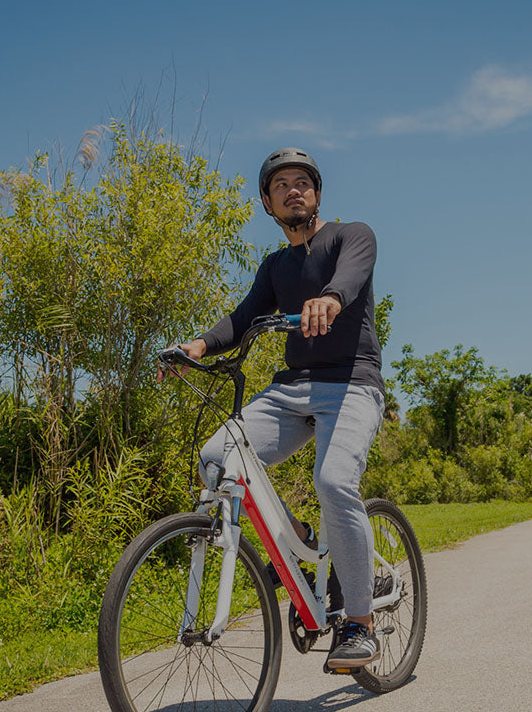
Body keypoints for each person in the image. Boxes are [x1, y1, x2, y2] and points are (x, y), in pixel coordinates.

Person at [164, 147, 386, 669]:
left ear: (317, 193)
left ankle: (359, 622)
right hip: (291, 391)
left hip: (353, 385)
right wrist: (196, 346)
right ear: (267, 203)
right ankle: (300, 544)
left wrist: (330, 299)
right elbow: (241, 320)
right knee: (217, 458)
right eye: (281, 184)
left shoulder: (352, 236)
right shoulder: (275, 267)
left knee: (333, 482)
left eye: (302, 181)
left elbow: (349, 277)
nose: (294, 189)